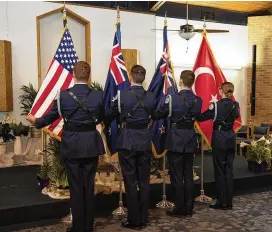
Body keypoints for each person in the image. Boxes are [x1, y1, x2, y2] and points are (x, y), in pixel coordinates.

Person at [27, 61, 105, 232]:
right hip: (91, 143)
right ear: (89, 75)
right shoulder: (99, 96)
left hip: (72, 145)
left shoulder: (63, 95)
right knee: (89, 185)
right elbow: (102, 117)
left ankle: (78, 227)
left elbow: (50, 117)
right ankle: (88, 226)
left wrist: (36, 121)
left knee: (76, 187)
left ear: (73, 75)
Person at [106, 65, 156, 230]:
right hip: (144, 139)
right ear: (144, 77)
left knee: (130, 181)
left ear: (130, 76)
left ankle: (134, 219)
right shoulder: (151, 96)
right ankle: (143, 217)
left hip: (127, 140)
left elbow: (110, 114)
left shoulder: (121, 96)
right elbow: (154, 116)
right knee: (144, 181)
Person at [155, 70, 202, 217]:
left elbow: (158, 114)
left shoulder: (172, 98)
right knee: (188, 174)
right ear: (192, 82)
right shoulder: (198, 100)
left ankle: (179, 208)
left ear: (180, 81)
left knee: (176, 176)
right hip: (189, 137)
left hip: (176, 138)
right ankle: (189, 207)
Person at [197, 81, 240, 210]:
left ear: (221, 91)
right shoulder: (235, 105)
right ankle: (229, 201)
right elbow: (236, 116)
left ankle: (222, 202)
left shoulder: (215, 106)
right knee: (228, 170)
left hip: (220, 138)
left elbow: (201, 117)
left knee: (220, 170)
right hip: (231, 138)